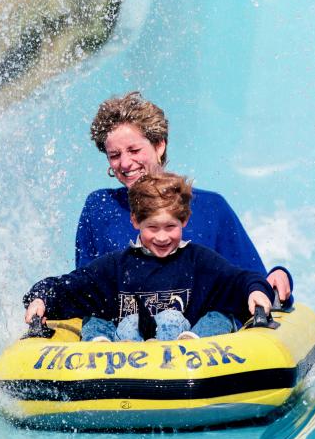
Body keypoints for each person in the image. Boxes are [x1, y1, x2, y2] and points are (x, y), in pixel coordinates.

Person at [75, 91, 293, 304]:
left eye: (134, 150)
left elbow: (252, 281)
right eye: (114, 155)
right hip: (122, 335)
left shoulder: (211, 207)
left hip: (200, 336)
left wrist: (278, 276)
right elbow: (84, 287)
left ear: (159, 145)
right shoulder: (100, 207)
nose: (124, 163)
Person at [25, 173, 275, 342]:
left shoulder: (198, 261)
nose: (162, 237)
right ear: (135, 222)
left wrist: (255, 290)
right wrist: (41, 297)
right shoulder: (117, 265)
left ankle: (194, 344)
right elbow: (73, 285)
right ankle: (98, 348)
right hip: (126, 351)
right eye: (152, 228)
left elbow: (238, 279)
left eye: (170, 227)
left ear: (184, 221)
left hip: (187, 353)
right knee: (95, 316)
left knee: (219, 316)